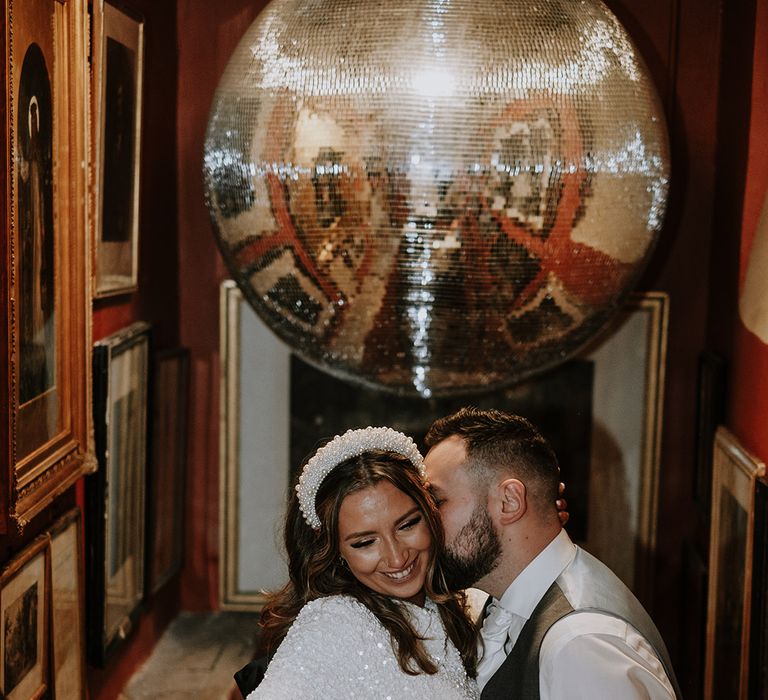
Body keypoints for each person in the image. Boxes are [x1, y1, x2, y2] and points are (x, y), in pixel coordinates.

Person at [423, 407, 682, 699]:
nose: (424, 525)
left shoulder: (580, 644)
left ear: (509, 501)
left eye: (436, 503)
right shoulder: (503, 598)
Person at [245, 426, 480, 699]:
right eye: (364, 543)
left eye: (407, 525)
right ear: (334, 551)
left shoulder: (458, 600)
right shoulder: (333, 621)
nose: (396, 557)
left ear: (430, 512)